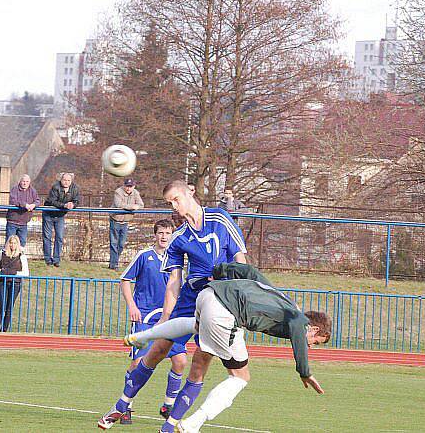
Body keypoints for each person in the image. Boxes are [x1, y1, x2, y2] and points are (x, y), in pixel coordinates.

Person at [98, 180, 247, 429]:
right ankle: (121, 405)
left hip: (220, 302)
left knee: (198, 365)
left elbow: (240, 259)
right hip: (191, 299)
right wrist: (166, 317)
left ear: (190, 192)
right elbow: (174, 282)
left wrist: (240, 296)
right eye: (170, 203)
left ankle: (169, 426)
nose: (175, 206)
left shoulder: (220, 219)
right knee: (157, 350)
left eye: (176, 199)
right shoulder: (179, 238)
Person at [126, 262, 330, 433]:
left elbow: (251, 273)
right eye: (315, 342)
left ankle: (144, 336)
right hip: (226, 312)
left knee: (194, 326)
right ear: (313, 328)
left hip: (208, 295)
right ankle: (192, 424)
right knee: (240, 377)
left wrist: (219, 271)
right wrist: (304, 371)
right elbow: (296, 327)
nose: (310, 346)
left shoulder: (283, 301)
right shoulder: (299, 320)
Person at [116, 219, 187, 426]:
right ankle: (126, 406)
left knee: (180, 361)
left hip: (170, 318)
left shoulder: (178, 260)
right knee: (139, 362)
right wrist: (132, 306)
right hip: (145, 317)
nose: (164, 237)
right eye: (161, 233)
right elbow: (125, 280)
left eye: (168, 233)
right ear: (155, 235)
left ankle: (168, 405)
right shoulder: (144, 256)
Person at [42, 172, 80, 267]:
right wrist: (64, 205)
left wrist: (73, 205)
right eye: (64, 180)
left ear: (71, 181)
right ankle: (47, 259)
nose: (66, 182)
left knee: (59, 237)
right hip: (48, 214)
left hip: (60, 216)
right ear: (61, 180)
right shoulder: (55, 187)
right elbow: (52, 201)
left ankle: (56, 260)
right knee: (47, 237)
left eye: (68, 180)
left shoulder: (74, 188)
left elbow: (77, 201)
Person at [0, 235, 29, 332]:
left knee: (9, 308)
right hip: (2, 282)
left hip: (15, 283)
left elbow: (26, 273)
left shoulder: (22, 256)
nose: (12, 245)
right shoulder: (2, 253)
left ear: (18, 244)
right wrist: (1, 271)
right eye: (11, 243)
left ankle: (4, 330)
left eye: (14, 243)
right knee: (2, 306)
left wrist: (14, 273)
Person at [109, 178, 144, 270]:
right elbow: (119, 205)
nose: (128, 188)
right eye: (127, 186)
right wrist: (132, 207)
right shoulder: (118, 192)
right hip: (115, 220)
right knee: (114, 243)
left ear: (134, 186)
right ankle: (114, 264)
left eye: (130, 186)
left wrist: (136, 207)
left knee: (121, 244)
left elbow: (141, 204)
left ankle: (114, 262)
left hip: (125, 221)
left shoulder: (136, 193)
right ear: (124, 186)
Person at [6, 174, 40, 245]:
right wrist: (25, 205)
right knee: (10, 242)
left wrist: (33, 205)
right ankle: (8, 255)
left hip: (24, 222)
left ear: (29, 182)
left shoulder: (32, 191)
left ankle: (20, 256)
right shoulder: (14, 189)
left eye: (27, 181)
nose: (25, 183)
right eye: (23, 181)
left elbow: (37, 201)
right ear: (20, 181)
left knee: (22, 242)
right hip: (13, 221)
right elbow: (13, 200)